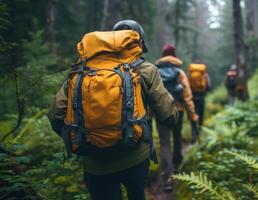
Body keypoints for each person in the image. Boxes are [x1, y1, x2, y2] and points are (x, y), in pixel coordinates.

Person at [47, 20, 177, 200]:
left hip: (95, 165)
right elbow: (168, 114)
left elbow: (56, 115)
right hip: (135, 158)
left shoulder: (82, 69)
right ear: (139, 42)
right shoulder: (145, 69)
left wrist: (85, 136)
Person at [155, 44, 199, 191]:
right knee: (177, 136)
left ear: (162, 56)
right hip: (177, 111)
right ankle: (177, 167)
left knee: (165, 143)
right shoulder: (179, 72)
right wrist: (192, 115)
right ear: (174, 56)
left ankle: (167, 179)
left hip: (161, 112)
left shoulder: (155, 72)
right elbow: (187, 96)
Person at [187, 60, 211, 143]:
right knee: (201, 114)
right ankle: (200, 133)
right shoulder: (204, 74)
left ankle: (194, 134)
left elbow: (186, 86)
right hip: (201, 97)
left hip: (192, 97)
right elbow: (209, 86)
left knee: (193, 114)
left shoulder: (189, 74)